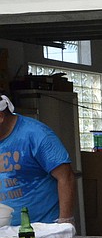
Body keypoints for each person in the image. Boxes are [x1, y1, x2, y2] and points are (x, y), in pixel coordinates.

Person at [0, 94, 76, 226]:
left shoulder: (36, 134)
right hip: (5, 231)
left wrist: (65, 222)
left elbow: (66, 177)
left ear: (0, 117)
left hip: (42, 230)